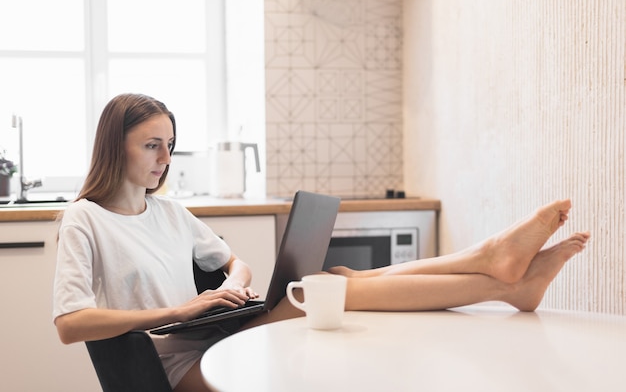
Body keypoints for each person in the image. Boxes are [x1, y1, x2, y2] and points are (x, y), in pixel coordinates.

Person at [53, 93, 589, 392]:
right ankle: (494, 271)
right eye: (151, 145)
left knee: (336, 281)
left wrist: (234, 289)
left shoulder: (169, 210)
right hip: (169, 365)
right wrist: (181, 308)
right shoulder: (85, 219)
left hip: (215, 329)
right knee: (329, 290)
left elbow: (233, 263)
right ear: (113, 144)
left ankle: (498, 274)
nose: (165, 158)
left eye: (169, 145)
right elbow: (70, 324)